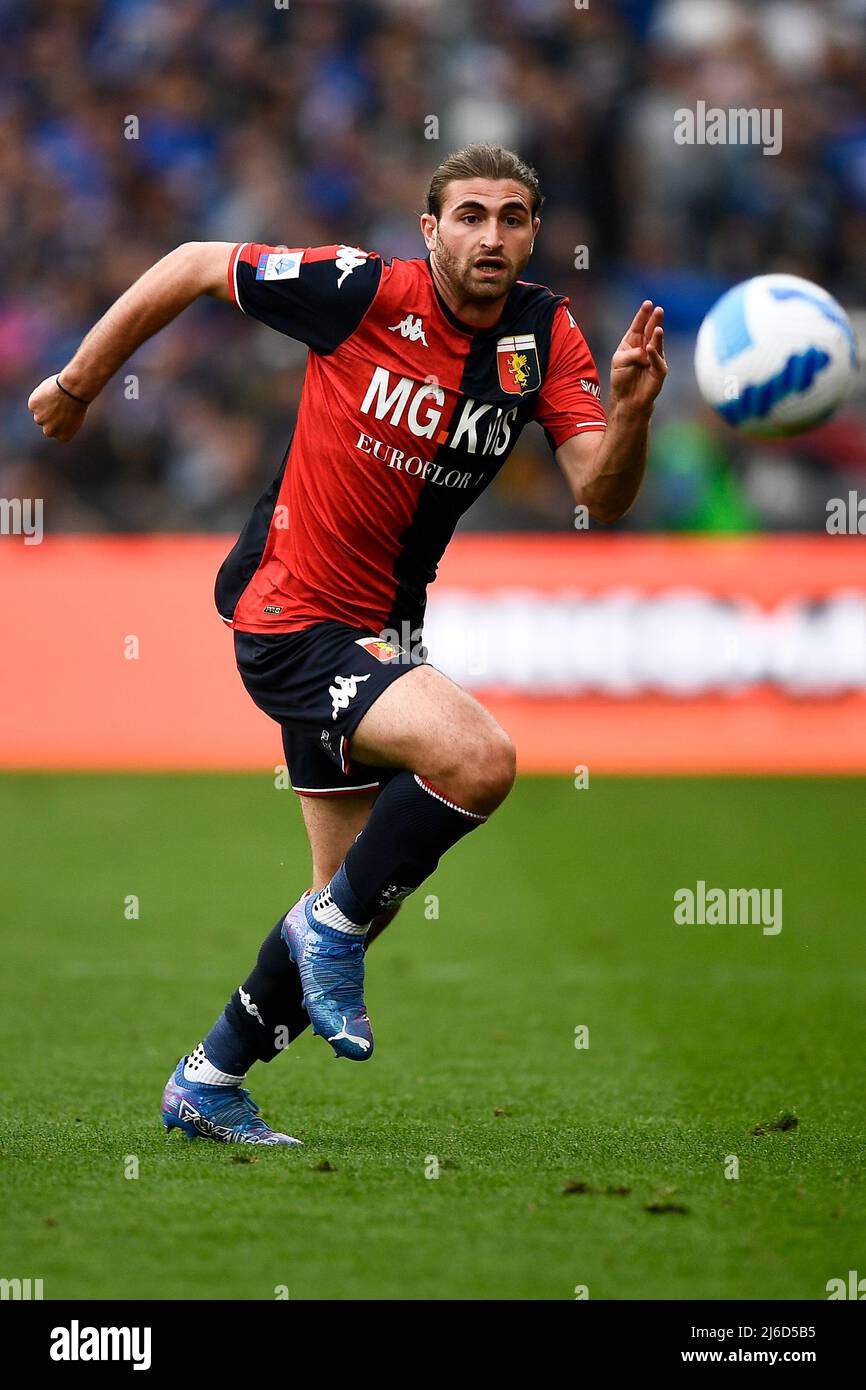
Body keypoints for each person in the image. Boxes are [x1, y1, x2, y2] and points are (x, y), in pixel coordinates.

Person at [27, 142, 667, 1146]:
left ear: (533, 233)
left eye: (510, 217)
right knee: (477, 759)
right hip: (291, 614)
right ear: (430, 228)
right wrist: (76, 381)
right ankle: (325, 935)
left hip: (385, 624)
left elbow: (600, 492)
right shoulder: (361, 291)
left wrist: (631, 413)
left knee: (350, 892)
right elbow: (197, 260)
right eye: (468, 215)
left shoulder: (544, 334)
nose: (489, 235)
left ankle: (209, 1080)